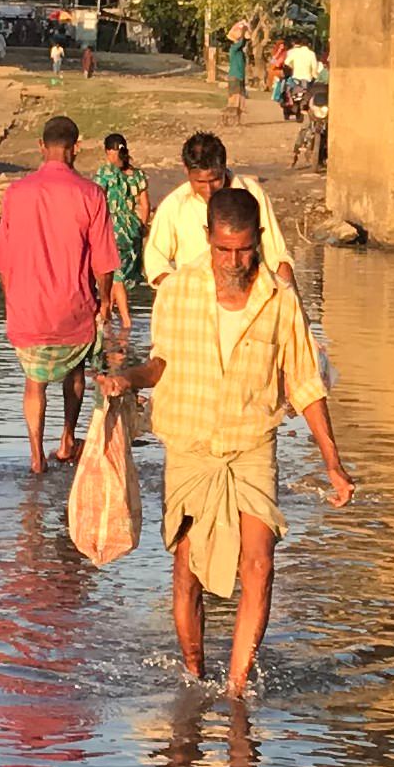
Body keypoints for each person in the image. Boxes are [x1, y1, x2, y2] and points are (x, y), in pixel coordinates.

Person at [107, 188, 350, 697]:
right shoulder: (178, 292)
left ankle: (237, 688)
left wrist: (334, 463)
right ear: (208, 239)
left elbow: (304, 383)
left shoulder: (280, 301)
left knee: (259, 563)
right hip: (191, 443)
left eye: (243, 249)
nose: (233, 261)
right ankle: (194, 673)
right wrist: (128, 379)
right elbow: (160, 363)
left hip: (251, 443)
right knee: (187, 571)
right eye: (223, 249)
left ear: (258, 240)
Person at [0, 113, 122, 475]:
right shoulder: (91, 194)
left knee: (34, 382)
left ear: (41, 147)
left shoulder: (17, 193)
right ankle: (66, 440)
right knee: (74, 375)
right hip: (73, 306)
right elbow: (104, 261)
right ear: (77, 148)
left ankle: (34, 456)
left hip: (28, 307)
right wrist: (105, 300)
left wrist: (11, 300)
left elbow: (3, 261)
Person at [139, 130, 294, 294]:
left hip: (249, 298)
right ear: (187, 171)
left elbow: (277, 256)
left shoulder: (251, 194)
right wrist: (180, 290)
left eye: (214, 180)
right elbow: (155, 260)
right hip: (195, 301)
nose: (208, 189)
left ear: (223, 167)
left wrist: (291, 302)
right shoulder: (175, 205)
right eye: (200, 182)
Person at [96, 132, 154, 289]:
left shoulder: (105, 174)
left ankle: (110, 309)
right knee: (126, 274)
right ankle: (119, 310)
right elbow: (145, 204)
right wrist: (141, 225)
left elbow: (98, 199)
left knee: (114, 274)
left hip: (112, 228)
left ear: (108, 151)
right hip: (132, 227)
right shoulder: (137, 175)